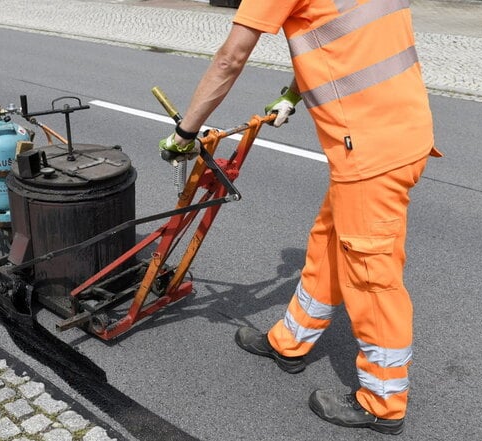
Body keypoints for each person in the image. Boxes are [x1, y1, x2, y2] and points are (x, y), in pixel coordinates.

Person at [158, 0, 442, 435]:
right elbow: (337, 38)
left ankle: (383, 401)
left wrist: (185, 133)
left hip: (372, 151)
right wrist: (293, 93)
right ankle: (289, 342)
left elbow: (231, 57)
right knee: (330, 241)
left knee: (370, 275)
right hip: (398, 131)